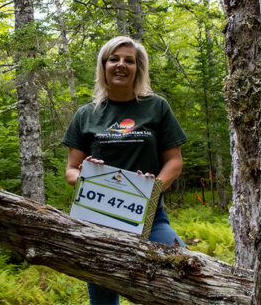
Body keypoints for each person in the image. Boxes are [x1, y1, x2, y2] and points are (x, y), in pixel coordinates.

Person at [62, 35, 188, 305]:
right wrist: (86, 173)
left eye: (129, 60)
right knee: (104, 300)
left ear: (138, 67)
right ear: (104, 66)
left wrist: (154, 186)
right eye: (114, 59)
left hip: (150, 219)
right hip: (98, 221)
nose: (121, 65)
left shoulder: (157, 107)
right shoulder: (86, 114)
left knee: (184, 275)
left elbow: (174, 162)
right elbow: (71, 171)